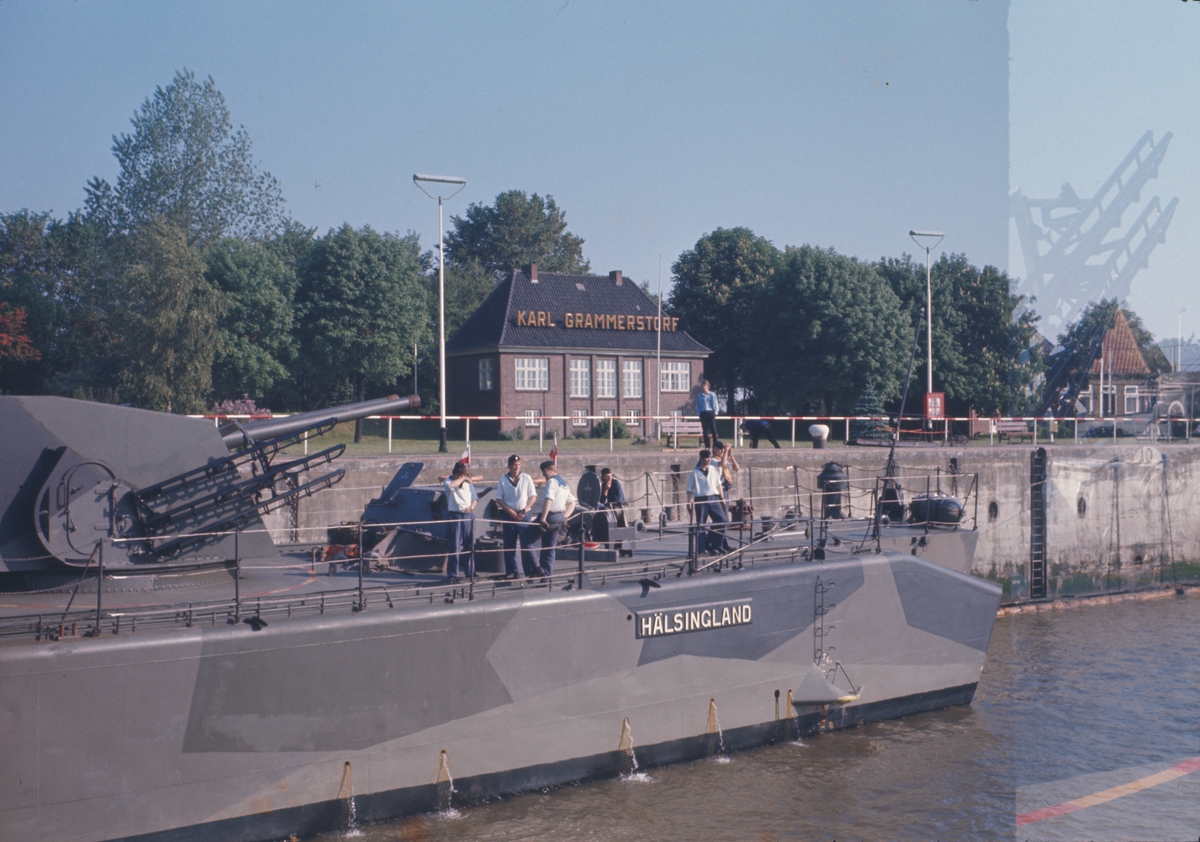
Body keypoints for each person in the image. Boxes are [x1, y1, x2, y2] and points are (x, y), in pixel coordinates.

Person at [495, 454, 539, 579]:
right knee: (509, 545)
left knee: (526, 544)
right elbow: (499, 499)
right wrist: (509, 511)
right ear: (509, 466)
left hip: (523, 515)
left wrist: (524, 510)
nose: (516, 467)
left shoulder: (526, 478)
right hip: (509, 515)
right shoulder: (503, 480)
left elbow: (533, 496)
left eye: (519, 465)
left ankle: (530, 571)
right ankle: (513, 571)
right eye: (514, 465)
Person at [533, 460, 576, 577]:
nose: (543, 474)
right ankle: (547, 576)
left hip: (550, 517)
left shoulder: (551, 482)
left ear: (551, 470)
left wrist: (543, 519)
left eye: (545, 471)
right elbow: (572, 501)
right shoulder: (562, 482)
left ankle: (536, 569)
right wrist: (565, 516)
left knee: (527, 541)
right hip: (559, 518)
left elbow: (548, 500)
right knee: (549, 548)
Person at [686, 449, 728, 554]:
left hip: (714, 498)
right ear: (701, 458)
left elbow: (718, 484)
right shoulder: (695, 473)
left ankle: (715, 544)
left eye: (709, 457)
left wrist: (722, 498)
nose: (709, 459)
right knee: (701, 525)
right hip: (701, 500)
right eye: (706, 457)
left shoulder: (714, 469)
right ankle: (701, 549)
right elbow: (689, 489)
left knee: (722, 520)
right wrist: (689, 502)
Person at [442, 462, 478, 582]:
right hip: (455, 515)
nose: (461, 476)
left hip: (468, 515)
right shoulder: (448, 481)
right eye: (459, 474)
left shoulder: (468, 484)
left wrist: (471, 507)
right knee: (454, 545)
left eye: (463, 474)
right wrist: (464, 479)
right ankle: (453, 573)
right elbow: (452, 485)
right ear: (455, 473)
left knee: (469, 545)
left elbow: (474, 498)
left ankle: (470, 571)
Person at [695, 380, 719, 449]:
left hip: (711, 413)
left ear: (708, 386)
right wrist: (699, 413)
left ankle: (715, 445)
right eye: (702, 386)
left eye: (705, 386)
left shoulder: (712, 394)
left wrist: (715, 412)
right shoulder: (699, 396)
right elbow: (697, 405)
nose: (703, 387)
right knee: (705, 431)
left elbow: (715, 403)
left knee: (713, 430)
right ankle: (707, 446)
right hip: (703, 413)